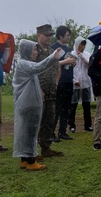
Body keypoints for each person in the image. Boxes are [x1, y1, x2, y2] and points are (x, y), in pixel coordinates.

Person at [12, 39, 65, 171]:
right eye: (34, 50)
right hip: (28, 105)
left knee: (26, 132)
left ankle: (25, 159)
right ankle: (30, 161)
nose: (36, 52)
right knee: (29, 133)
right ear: (28, 51)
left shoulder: (25, 64)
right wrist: (53, 57)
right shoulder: (24, 64)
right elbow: (39, 67)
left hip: (27, 104)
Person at [35, 24, 62, 157]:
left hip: (51, 92)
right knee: (36, 122)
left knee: (49, 121)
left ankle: (46, 148)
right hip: (37, 93)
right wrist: (38, 89)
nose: (49, 38)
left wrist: (56, 82)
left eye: (51, 35)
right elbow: (30, 72)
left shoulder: (52, 52)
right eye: (46, 35)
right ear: (38, 36)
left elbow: (58, 68)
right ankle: (32, 151)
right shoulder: (33, 52)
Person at [54, 25, 76, 141]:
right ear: (60, 35)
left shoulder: (68, 49)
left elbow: (68, 62)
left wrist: (72, 63)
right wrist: (65, 61)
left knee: (66, 108)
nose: (68, 37)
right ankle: (51, 133)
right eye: (67, 35)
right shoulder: (54, 48)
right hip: (59, 82)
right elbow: (52, 63)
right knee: (57, 108)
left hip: (68, 81)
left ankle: (62, 132)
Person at [71, 37, 93, 132]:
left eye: (84, 45)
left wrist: (81, 56)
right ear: (77, 44)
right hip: (75, 83)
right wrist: (74, 80)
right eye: (81, 44)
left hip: (86, 83)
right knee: (73, 105)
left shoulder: (87, 54)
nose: (82, 47)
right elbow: (69, 69)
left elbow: (89, 64)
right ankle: (71, 125)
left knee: (86, 105)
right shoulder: (71, 55)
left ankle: (88, 125)